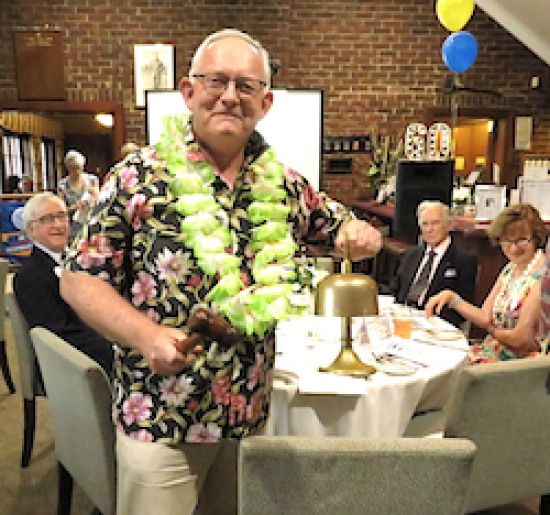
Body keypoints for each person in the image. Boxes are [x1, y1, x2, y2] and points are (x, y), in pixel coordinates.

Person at [59, 29, 382, 515]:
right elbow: (78, 277)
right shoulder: (135, 178)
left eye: (246, 86)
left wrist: (363, 236)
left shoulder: (289, 187)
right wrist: (148, 337)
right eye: (216, 81)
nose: (230, 96)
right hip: (162, 417)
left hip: (249, 416)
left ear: (265, 102)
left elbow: (348, 230)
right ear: (188, 92)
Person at [426, 203, 547, 363]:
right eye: (506, 240)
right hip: (492, 350)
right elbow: (485, 316)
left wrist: (491, 329)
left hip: (517, 366)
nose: (513, 247)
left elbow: (520, 339)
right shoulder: (511, 268)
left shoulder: (543, 276)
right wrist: (452, 299)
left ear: (536, 238)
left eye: (522, 240)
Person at [13, 192, 113, 373]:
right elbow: (58, 333)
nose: (58, 225)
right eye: (47, 219)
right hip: (71, 362)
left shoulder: (83, 259)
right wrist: (115, 347)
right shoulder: (29, 276)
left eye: (61, 216)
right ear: (30, 229)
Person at [391, 200, 477, 328]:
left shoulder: (464, 260)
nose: (429, 229)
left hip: (436, 324)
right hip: (402, 319)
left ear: (449, 225)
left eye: (435, 223)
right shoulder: (410, 255)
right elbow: (395, 291)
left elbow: (463, 306)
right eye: (425, 224)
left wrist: (430, 322)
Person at [57, 149, 99, 239]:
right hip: (73, 224)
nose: (76, 172)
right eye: (73, 169)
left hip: (91, 221)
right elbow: (61, 209)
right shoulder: (62, 185)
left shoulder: (92, 180)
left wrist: (94, 197)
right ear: (67, 168)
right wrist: (75, 207)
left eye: (78, 168)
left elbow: (99, 201)